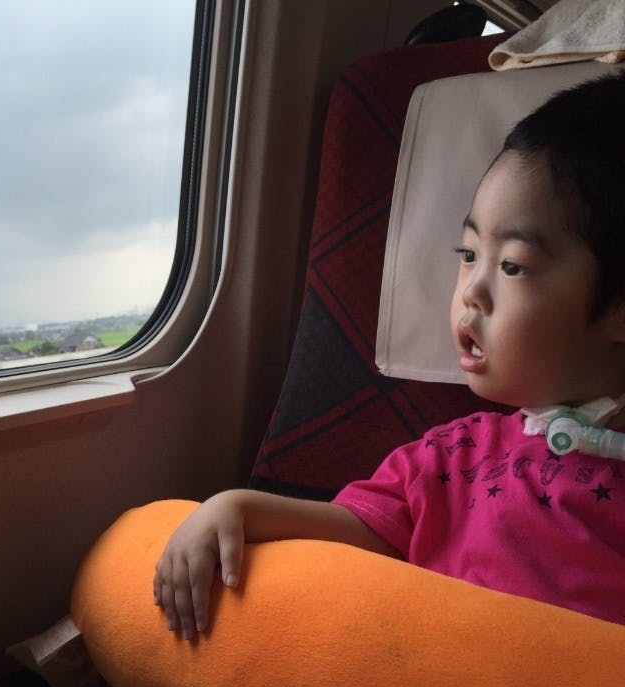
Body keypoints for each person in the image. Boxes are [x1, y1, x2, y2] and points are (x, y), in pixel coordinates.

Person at [153, 70, 625, 639]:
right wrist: (239, 508)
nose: (471, 292)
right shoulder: (450, 459)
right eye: (468, 254)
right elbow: (353, 534)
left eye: (512, 266)